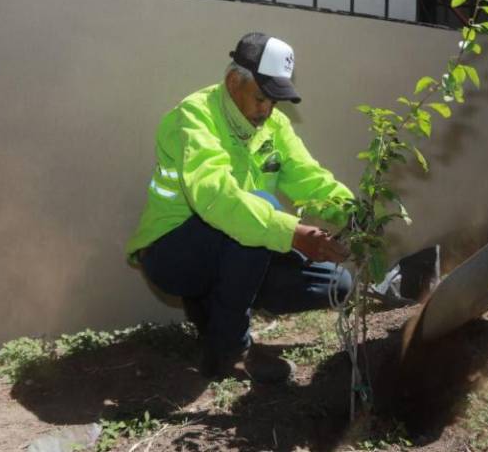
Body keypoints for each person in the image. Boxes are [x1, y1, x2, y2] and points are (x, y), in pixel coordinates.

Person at [126, 32, 354, 383]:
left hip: (239, 244)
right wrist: (290, 232)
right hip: (172, 253)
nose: (267, 109)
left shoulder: (274, 125)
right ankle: (228, 351)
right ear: (234, 81)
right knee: (259, 208)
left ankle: (215, 312)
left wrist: (351, 211)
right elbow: (216, 197)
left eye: (274, 101)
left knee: (336, 283)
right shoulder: (195, 117)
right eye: (261, 98)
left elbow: (309, 178)